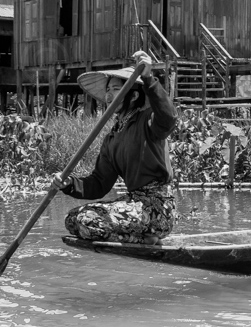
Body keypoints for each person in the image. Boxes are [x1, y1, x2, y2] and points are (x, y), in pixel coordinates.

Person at [58, 50, 177, 245]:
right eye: (108, 90)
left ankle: (143, 239)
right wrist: (69, 184)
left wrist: (148, 77)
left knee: (87, 221)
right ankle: (141, 239)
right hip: (134, 203)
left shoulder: (147, 121)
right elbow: (99, 183)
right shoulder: (112, 138)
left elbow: (169, 118)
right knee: (72, 219)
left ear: (132, 96)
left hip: (156, 208)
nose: (108, 95)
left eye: (115, 89)